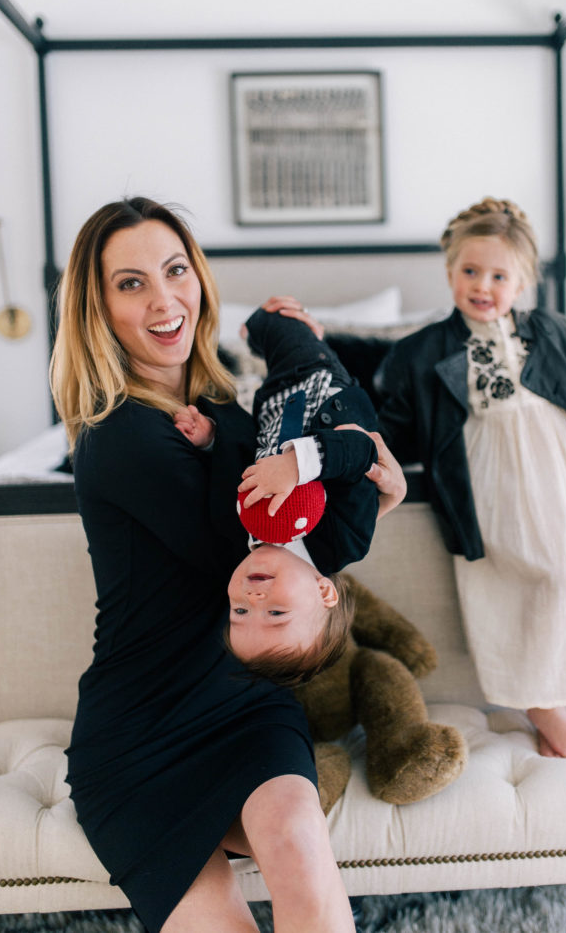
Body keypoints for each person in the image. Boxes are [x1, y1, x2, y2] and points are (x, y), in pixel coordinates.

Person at [49, 196, 359, 933]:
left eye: (175, 270)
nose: (164, 301)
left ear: (200, 278)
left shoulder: (229, 409)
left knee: (301, 853)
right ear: (98, 310)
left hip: (245, 706)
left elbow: (322, 489)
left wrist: (316, 358)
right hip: (140, 733)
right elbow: (264, 550)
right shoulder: (119, 435)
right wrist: (348, 471)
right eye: (130, 284)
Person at [376, 197, 566, 758]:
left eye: (500, 275)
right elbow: (396, 429)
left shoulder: (550, 330)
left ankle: (559, 689)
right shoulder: (422, 352)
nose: (483, 285)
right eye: (470, 271)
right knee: (544, 571)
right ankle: (542, 705)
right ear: (450, 271)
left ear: (523, 280)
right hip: (494, 483)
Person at [175, 305, 406, 685]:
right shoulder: (344, 541)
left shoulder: (235, 530)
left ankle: (252, 334)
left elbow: (239, 464)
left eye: (240, 612)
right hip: (321, 388)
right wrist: (299, 466)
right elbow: (361, 451)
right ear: (323, 591)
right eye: (277, 614)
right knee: (270, 322)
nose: (254, 600)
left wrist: (211, 438)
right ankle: (287, 323)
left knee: (213, 371)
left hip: (273, 404)